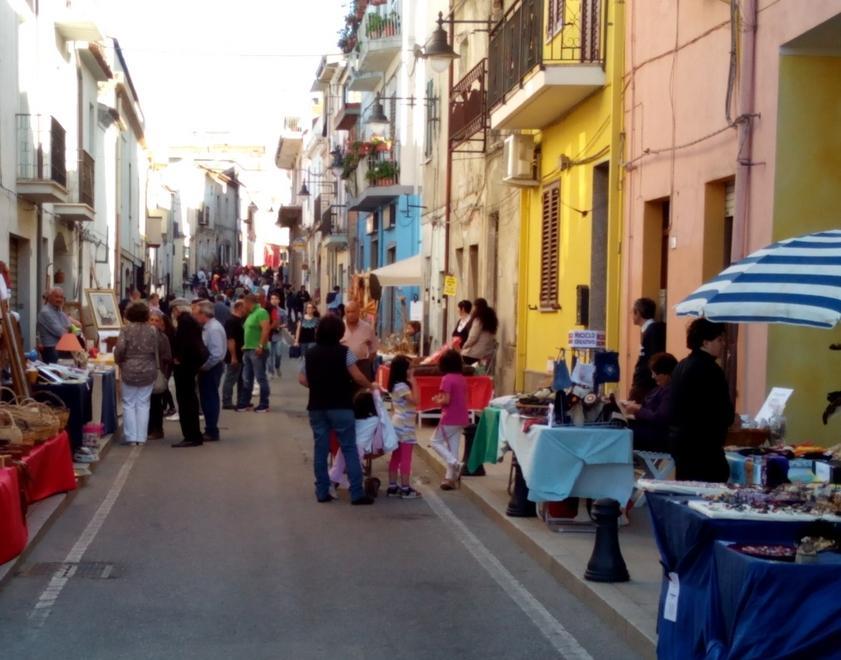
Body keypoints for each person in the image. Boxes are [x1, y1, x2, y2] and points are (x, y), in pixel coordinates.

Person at [297, 315, 375, 505]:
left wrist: (316, 386)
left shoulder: (311, 353)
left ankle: (322, 491)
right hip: (341, 405)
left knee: (321, 449)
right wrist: (371, 386)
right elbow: (357, 376)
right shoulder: (345, 353)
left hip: (317, 406)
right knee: (348, 448)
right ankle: (356, 493)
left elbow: (301, 378)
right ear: (340, 332)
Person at [668, 319, 735, 482]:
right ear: (705, 342)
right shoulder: (710, 369)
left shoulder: (681, 365)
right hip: (704, 447)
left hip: (681, 442)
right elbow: (723, 410)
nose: (723, 344)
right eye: (719, 340)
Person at [114, 303, 170, 445]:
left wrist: (119, 361)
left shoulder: (126, 330)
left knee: (128, 403)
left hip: (129, 369)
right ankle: (141, 436)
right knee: (144, 403)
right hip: (148, 369)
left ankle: (131, 436)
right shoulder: (152, 331)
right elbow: (160, 348)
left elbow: (120, 349)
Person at [170, 298, 208, 447]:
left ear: (177, 309)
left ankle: (191, 435)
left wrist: (178, 357)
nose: (173, 313)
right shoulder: (191, 321)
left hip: (185, 367)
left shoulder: (185, 322)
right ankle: (193, 435)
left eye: (173, 310)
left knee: (185, 401)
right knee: (189, 399)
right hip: (190, 366)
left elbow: (184, 343)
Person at [430, 349, 469, 490]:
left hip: (449, 416)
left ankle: (454, 463)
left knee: (435, 441)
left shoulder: (446, 379)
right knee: (453, 446)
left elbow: (446, 400)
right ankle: (450, 478)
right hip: (462, 416)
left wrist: (437, 399)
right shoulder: (461, 378)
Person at [623, 352, 677, 453]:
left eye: (655, 373)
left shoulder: (670, 391)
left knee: (622, 436)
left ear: (665, 374)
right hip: (652, 431)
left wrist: (638, 410)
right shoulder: (660, 389)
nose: (652, 377)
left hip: (658, 436)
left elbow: (659, 417)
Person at [386, 355, 421, 499]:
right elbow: (416, 401)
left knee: (396, 457)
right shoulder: (403, 386)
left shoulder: (395, 385)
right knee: (406, 458)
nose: (412, 370)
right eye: (410, 368)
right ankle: (406, 488)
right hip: (405, 425)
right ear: (403, 370)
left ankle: (393, 486)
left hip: (398, 422)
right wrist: (414, 382)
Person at [193, 300, 227, 442]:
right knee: (207, 397)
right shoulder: (208, 327)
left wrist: (204, 366)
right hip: (210, 367)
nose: (195, 317)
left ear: (203, 314)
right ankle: (210, 428)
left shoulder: (213, 329)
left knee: (210, 398)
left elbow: (216, 354)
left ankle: (212, 430)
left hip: (212, 368)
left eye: (196, 314)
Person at [236, 294, 271, 413]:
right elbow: (250, 331)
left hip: (257, 350)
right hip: (248, 349)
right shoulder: (250, 314)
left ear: (248, 302)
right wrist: (245, 345)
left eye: (244, 304)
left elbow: (266, 329)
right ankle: (244, 403)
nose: (243, 306)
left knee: (260, 377)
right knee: (246, 378)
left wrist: (260, 345)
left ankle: (264, 403)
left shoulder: (261, 312)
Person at [629, 298, 667, 403]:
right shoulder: (650, 330)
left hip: (646, 386)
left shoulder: (653, 330)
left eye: (632, 312)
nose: (631, 315)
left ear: (638, 313)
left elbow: (653, 358)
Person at [147, 309, 174, 440]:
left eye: (156, 320)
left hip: (157, 374)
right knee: (147, 404)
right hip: (144, 374)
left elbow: (168, 357)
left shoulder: (163, 338)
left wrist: (164, 372)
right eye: (151, 320)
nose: (153, 323)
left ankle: (157, 429)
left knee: (156, 404)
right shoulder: (144, 336)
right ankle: (149, 429)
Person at [36, 288, 80, 363]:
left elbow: (70, 326)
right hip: (51, 349)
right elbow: (60, 332)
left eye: (61, 297)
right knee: (54, 372)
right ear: (49, 297)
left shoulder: (59, 310)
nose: (59, 299)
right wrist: (69, 330)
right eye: (56, 296)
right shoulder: (46, 312)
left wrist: (69, 329)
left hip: (61, 347)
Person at [341, 301, 379, 380]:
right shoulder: (339, 327)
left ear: (358, 312)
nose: (350, 314)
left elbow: (374, 349)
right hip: (343, 366)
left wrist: (367, 363)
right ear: (345, 313)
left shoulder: (367, 328)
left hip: (362, 365)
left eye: (353, 311)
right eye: (348, 312)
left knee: (362, 391)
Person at [222, 300, 245, 410]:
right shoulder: (231, 321)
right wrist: (233, 356)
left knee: (241, 378)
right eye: (244, 307)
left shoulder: (240, 320)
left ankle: (241, 400)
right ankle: (227, 401)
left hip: (241, 354)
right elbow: (230, 340)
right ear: (239, 307)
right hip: (234, 355)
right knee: (231, 378)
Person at [461, 298, 498, 365]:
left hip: (476, 354)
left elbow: (473, 337)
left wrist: (464, 346)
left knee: (459, 359)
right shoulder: (490, 320)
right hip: (487, 352)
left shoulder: (478, 320)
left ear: (476, 308)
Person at [267, 292, 288, 378]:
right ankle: (271, 372)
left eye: (275, 299)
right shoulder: (266, 311)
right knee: (269, 355)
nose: (274, 300)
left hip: (278, 336)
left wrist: (280, 326)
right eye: (272, 299)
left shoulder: (282, 312)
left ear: (279, 300)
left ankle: (277, 366)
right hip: (268, 336)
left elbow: (286, 323)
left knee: (278, 354)